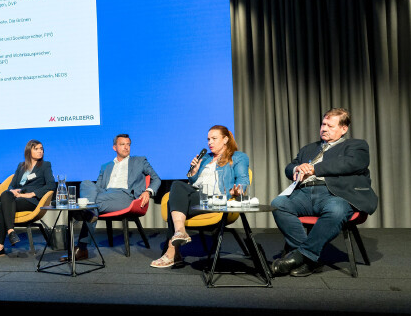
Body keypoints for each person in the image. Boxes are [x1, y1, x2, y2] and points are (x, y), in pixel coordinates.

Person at [271, 108, 377, 277]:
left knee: (337, 210)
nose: (324, 128)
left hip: (335, 194)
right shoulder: (309, 148)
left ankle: (298, 256)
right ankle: (310, 258)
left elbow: (351, 164)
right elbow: (289, 167)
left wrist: (314, 169)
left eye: (330, 125)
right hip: (304, 194)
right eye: (323, 124)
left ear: (344, 129)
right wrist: (297, 168)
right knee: (278, 204)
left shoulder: (356, 146)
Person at [150, 125, 249, 268]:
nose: (210, 142)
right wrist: (194, 172)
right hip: (198, 196)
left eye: (214, 139)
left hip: (217, 198)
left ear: (225, 139)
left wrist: (239, 190)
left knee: (174, 203)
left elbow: (243, 179)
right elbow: (196, 183)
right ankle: (179, 232)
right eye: (208, 139)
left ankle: (173, 252)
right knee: (177, 185)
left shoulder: (238, 157)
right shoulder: (206, 158)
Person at [67, 134, 161, 262]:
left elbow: (156, 179)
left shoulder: (140, 161)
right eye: (122, 144)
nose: (126, 147)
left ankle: (82, 242)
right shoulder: (105, 166)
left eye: (128, 144)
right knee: (86, 183)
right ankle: (89, 211)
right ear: (114, 147)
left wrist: (148, 191)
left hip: (125, 196)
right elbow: (97, 187)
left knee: (91, 204)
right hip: (104, 195)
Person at [0, 139, 56, 258]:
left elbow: (51, 185)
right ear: (29, 151)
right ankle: (10, 233)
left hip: (31, 201)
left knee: (0, 207)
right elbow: (12, 184)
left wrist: (31, 194)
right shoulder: (21, 166)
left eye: (41, 149)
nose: (40, 151)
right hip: (16, 198)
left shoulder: (45, 165)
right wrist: (14, 191)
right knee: (5, 194)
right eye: (37, 149)